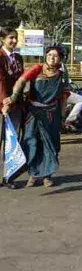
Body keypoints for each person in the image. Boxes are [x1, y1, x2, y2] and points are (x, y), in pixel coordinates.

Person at [3, 45, 70, 188]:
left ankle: (47, 176)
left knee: (50, 145)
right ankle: (33, 176)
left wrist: (63, 117)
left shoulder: (62, 74)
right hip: (33, 113)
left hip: (52, 114)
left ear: (60, 59)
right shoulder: (37, 69)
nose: (52, 58)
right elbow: (21, 81)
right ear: (46, 56)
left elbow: (64, 97)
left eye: (56, 56)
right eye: (50, 55)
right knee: (31, 143)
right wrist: (14, 97)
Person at [0, 27, 24, 189]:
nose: (14, 41)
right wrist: (4, 104)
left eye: (15, 38)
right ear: (2, 39)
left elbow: (22, 80)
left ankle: (8, 177)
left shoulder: (18, 58)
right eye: (10, 38)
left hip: (16, 105)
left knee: (12, 142)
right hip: (2, 105)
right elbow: (0, 81)